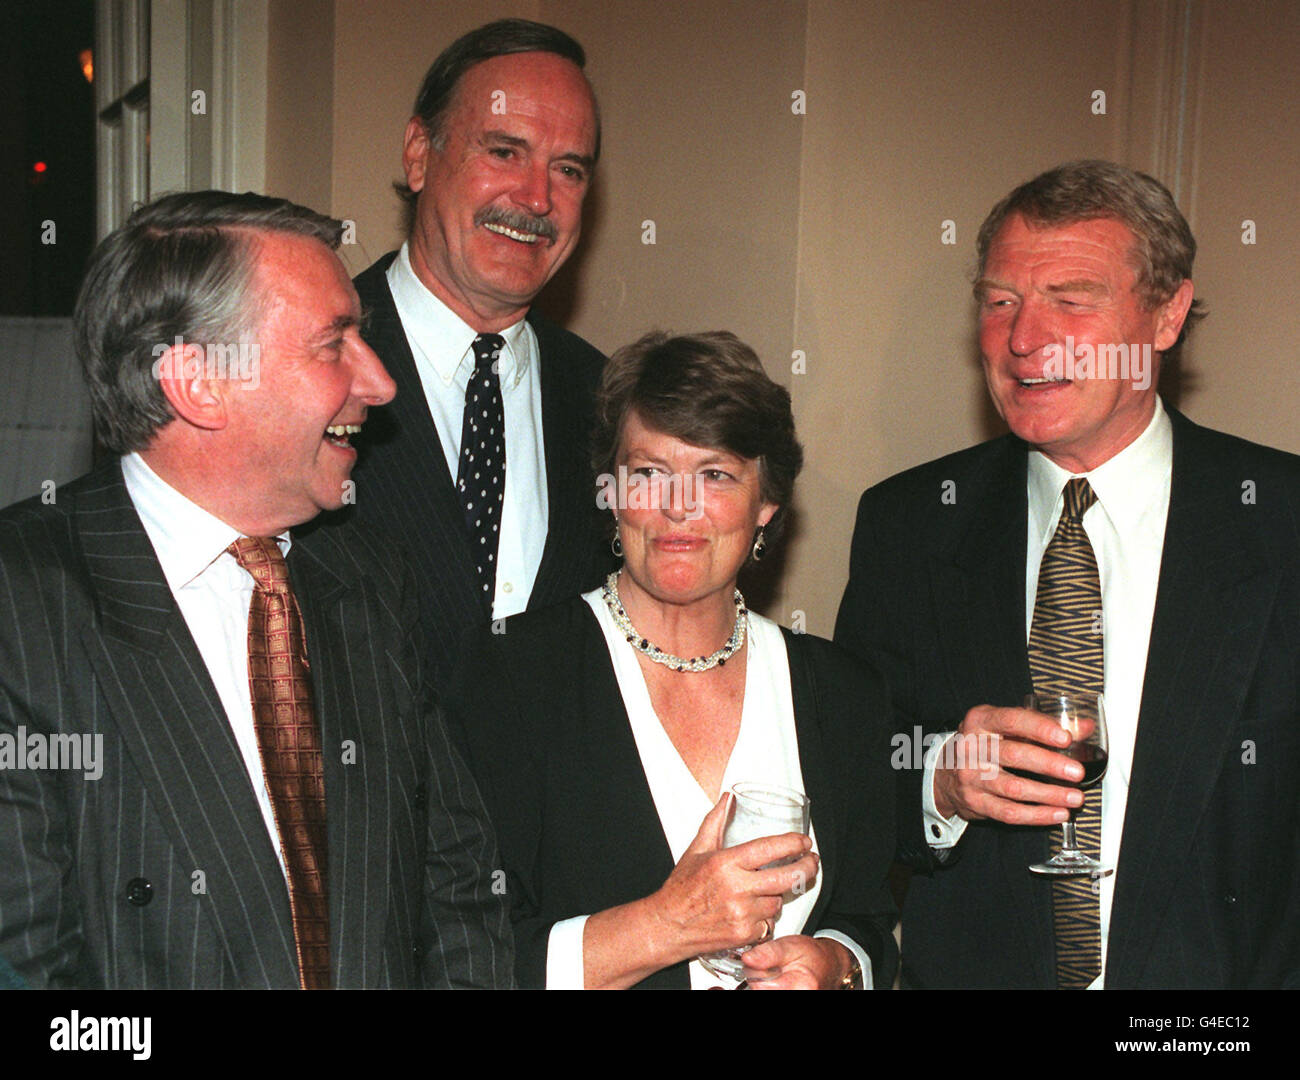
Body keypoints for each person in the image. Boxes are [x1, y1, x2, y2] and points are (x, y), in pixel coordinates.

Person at [0, 191, 513, 989]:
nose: (378, 383)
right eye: (332, 345)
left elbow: (457, 884)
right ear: (199, 383)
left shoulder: (369, 576)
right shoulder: (23, 602)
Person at [835, 160, 1300, 989]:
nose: (1022, 338)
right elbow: (847, 785)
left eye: (1071, 300)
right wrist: (940, 778)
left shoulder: (1280, 521)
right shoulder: (909, 523)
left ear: (1167, 315)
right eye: (1001, 300)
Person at [443, 332, 898, 989]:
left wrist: (838, 965)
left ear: (766, 503)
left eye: (715, 475)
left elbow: (866, 919)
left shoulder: (842, 694)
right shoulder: (506, 677)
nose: (678, 507)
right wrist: (665, 925)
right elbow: (465, 953)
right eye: (649, 473)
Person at [337, 18, 611, 689]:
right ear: (419, 154)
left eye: (567, 169)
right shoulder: (306, 363)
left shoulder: (609, 399)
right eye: (504, 152)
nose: (537, 198)